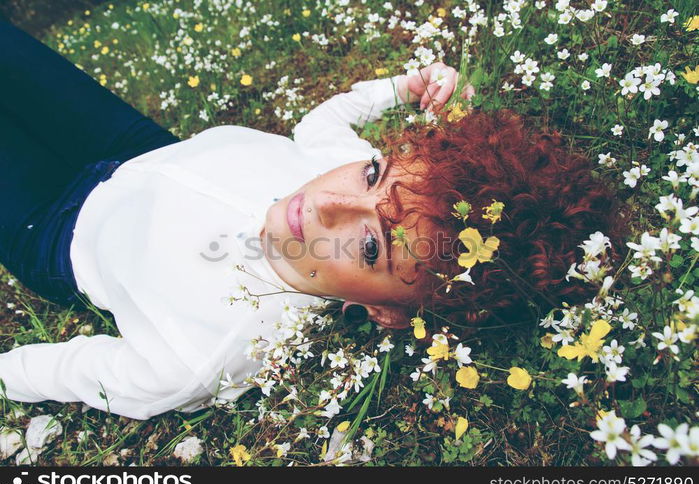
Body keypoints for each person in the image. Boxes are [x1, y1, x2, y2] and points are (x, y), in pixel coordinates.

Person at [0, 21, 625, 420]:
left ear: (388, 311)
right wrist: (404, 87)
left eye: (372, 248)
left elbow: (73, 368)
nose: (326, 205)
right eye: (375, 175)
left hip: (50, 233)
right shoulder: (338, 165)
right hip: (140, 145)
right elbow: (323, 124)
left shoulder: (203, 355)